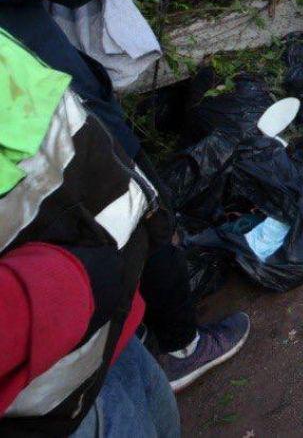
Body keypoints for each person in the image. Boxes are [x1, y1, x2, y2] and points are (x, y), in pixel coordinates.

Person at [0, 0, 250, 392]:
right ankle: (180, 346)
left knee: (54, 258)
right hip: (47, 127)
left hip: (21, 157)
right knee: (138, 214)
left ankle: (110, 348)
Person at [0, 29, 179, 436]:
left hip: (110, 324)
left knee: (159, 415)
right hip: (48, 387)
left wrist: (136, 202)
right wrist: (63, 288)